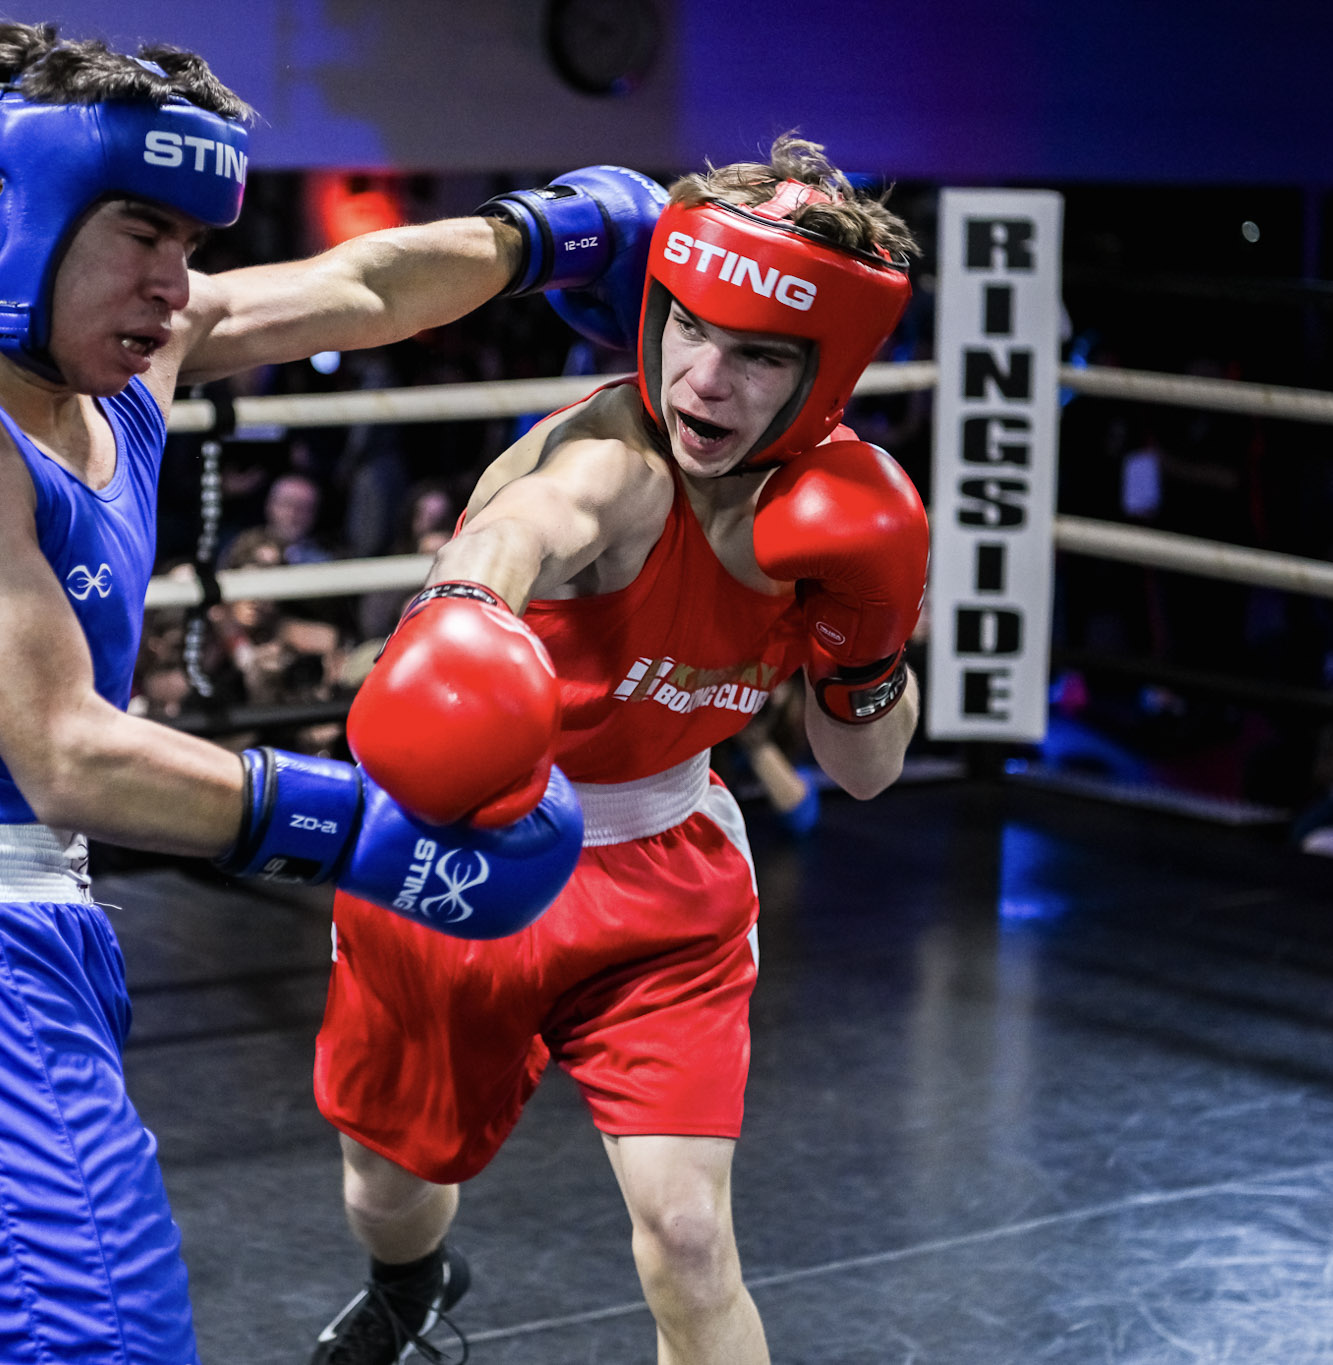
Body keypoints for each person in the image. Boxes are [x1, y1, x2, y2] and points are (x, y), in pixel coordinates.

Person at [0, 22, 658, 1364]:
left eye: (188, 242)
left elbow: (359, 287)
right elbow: (68, 752)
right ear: (0, 208)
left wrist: (544, 236)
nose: (174, 285)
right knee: (98, 1342)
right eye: (141, 232)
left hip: (21, 936)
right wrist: (374, 834)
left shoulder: (118, 367)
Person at [310, 136, 927, 1365]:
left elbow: (864, 770)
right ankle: (411, 1280)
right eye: (689, 329)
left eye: (760, 356)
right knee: (389, 1187)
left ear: (826, 371)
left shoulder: (846, 517)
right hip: (466, 860)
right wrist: (461, 612)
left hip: (663, 873)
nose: (705, 381)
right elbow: (522, 529)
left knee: (689, 1240)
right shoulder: (613, 464)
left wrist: (868, 653)